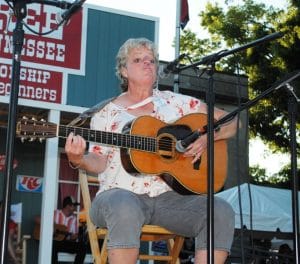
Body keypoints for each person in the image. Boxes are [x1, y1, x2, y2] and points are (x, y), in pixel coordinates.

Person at [65, 37, 239, 264]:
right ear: (123, 71)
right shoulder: (106, 112)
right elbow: (99, 161)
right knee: (124, 206)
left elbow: (232, 121)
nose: (147, 64)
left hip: (170, 200)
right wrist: (78, 159)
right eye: (138, 60)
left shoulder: (178, 104)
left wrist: (209, 137)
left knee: (220, 210)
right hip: (118, 196)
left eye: (151, 60)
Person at [51, 196, 87, 264]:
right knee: (53, 245)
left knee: (82, 247)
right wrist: (52, 227)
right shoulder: (55, 213)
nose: (75, 208)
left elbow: (74, 236)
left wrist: (73, 237)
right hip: (54, 242)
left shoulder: (74, 219)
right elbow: (37, 218)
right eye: (74, 206)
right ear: (68, 206)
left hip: (65, 242)